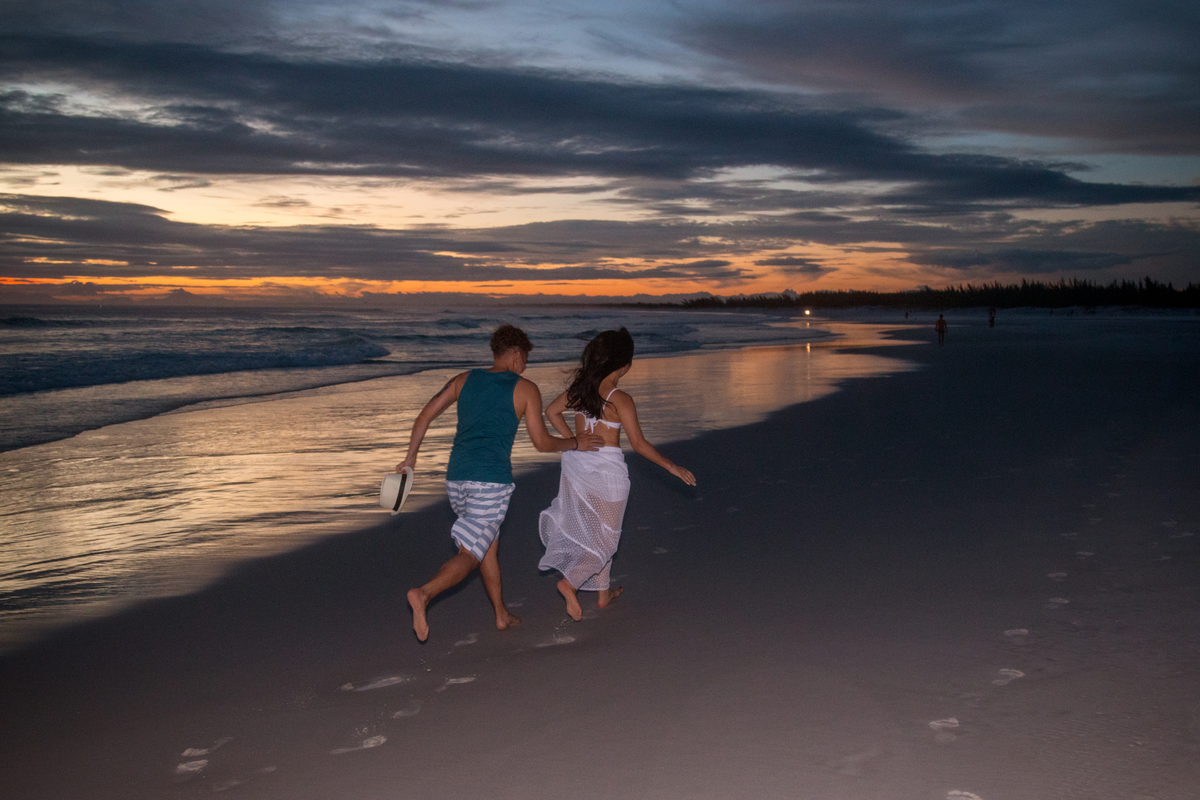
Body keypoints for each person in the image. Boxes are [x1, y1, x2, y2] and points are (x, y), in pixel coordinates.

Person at [396, 324, 603, 642]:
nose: (525, 367)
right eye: (526, 360)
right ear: (518, 355)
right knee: (472, 553)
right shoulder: (525, 389)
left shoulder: (463, 380)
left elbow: (424, 416)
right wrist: (575, 443)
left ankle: (501, 615)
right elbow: (542, 443)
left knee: (487, 547)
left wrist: (410, 458)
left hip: (457, 479)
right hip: (489, 483)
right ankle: (424, 594)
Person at [538, 328, 696, 621]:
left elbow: (551, 411)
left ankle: (602, 594)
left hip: (578, 468)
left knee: (597, 532)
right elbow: (639, 444)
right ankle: (569, 583)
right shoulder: (619, 398)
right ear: (625, 365)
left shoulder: (580, 390)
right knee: (607, 538)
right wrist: (673, 467)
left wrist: (575, 440)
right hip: (607, 473)